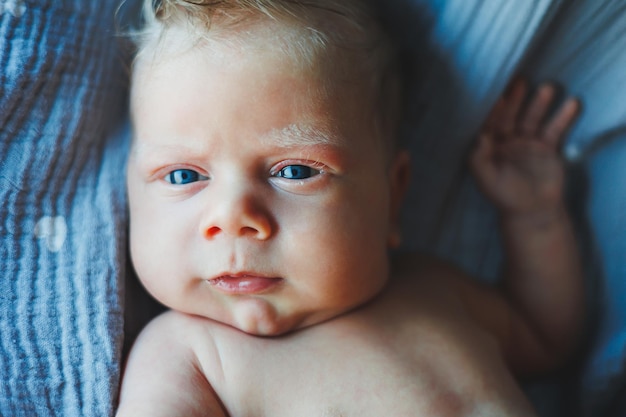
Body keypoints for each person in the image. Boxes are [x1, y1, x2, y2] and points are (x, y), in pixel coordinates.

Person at [117, 0, 584, 415]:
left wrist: (534, 218)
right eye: (183, 176)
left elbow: (545, 336)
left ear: (393, 196)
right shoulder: (187, 354)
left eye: (296, 171)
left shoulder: (435, 291)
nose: (233, 217)